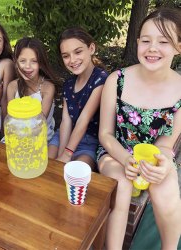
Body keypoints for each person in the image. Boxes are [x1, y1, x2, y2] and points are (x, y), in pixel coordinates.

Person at [97, 8, 181, 249]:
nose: (152, 48)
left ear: (178, 46)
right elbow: (105, 134)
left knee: (167, 188)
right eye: (146, 40)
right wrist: (125, 159)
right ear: (137, 43)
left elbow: (166, 143)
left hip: (154, 158)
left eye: (163, 41)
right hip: (115, 153)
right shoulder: (117, 80)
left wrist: (162, 164)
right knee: (122, 183)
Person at [48, 27, 108, 170]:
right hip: (63, 137)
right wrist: (62, 153)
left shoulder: (101, 79)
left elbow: (84, 119)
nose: (72, 60)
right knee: (48, 167)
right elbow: (66, 121)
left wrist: (67, 155)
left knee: (76, 174)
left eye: (78, 52)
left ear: (91, 48)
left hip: (89, 142)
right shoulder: (69, 83)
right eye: (66, 56)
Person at [7, 37, 58, 141]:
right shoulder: (12, 87)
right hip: (17, 136)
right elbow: (12, 120)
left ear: (41, 63)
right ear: (15, 62)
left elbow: (39, 123)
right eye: (22, 61)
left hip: (41, 138)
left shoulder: (47, 87)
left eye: (34, 61)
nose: (27, 66)